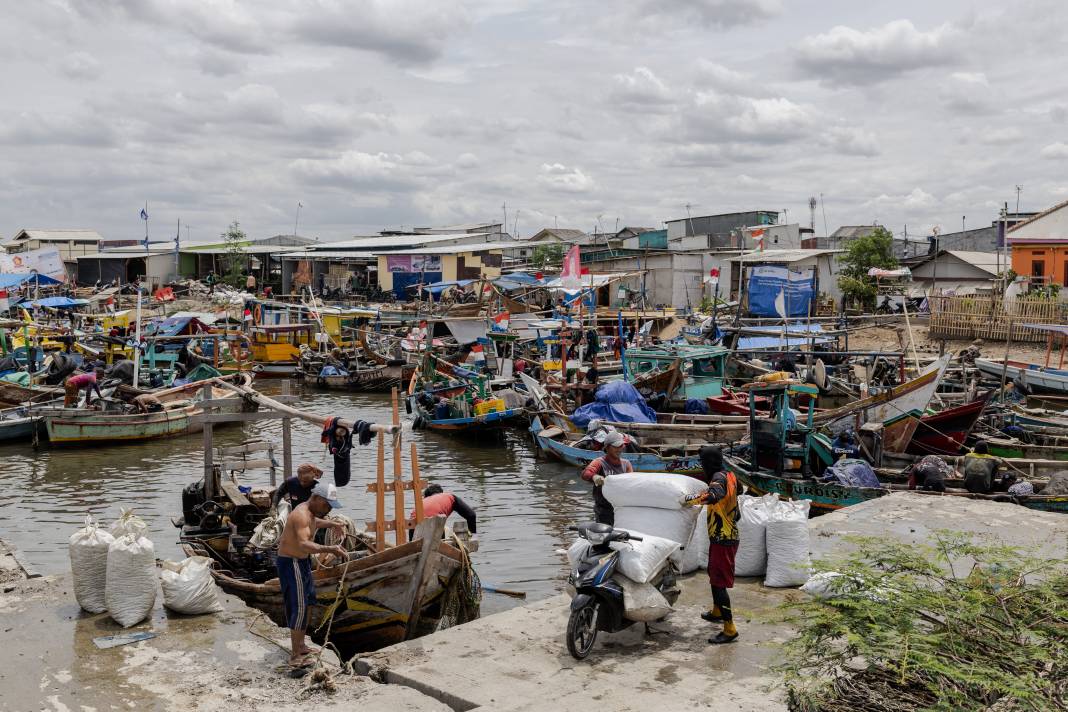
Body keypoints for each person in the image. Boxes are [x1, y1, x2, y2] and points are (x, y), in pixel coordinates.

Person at [276, 481, 347, 666]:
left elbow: (315, 521)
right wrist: (330, 548)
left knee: (308, 602)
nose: (327, 510)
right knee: (298, 606)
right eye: (326, 505)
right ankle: (295, 655)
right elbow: (303, 544)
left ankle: (301, 645)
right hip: (291, 563)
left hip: (302, 562)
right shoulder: (300, 514)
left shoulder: (311, 512)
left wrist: (332, 524)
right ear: (316, 498)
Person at [696, 445, 740, 645]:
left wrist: (689, 500)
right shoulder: (731, 475)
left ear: (708, 462)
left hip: (724, 538)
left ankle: (730, 628)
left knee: (720, 583)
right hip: (724, 535)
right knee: (714, 575)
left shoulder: (718, 479)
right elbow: (736, 507)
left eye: (703, 462)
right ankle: (716, 611)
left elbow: (714, 494)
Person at [580, 431, 633, 525]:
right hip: (603, 510)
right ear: (607, 448)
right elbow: (585, 474)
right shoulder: (599, 462)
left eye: (621, 446)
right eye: (616, 446)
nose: (619, 449)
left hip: (621, 508)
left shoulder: (626, 464)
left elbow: (632, 482)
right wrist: (594, 477)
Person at [412, 484, 477, 539]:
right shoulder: (449, 497)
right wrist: (472, 536)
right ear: (441, 493)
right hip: (435, 527)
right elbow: (471, 515)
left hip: (414, 530)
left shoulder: (420, 503)